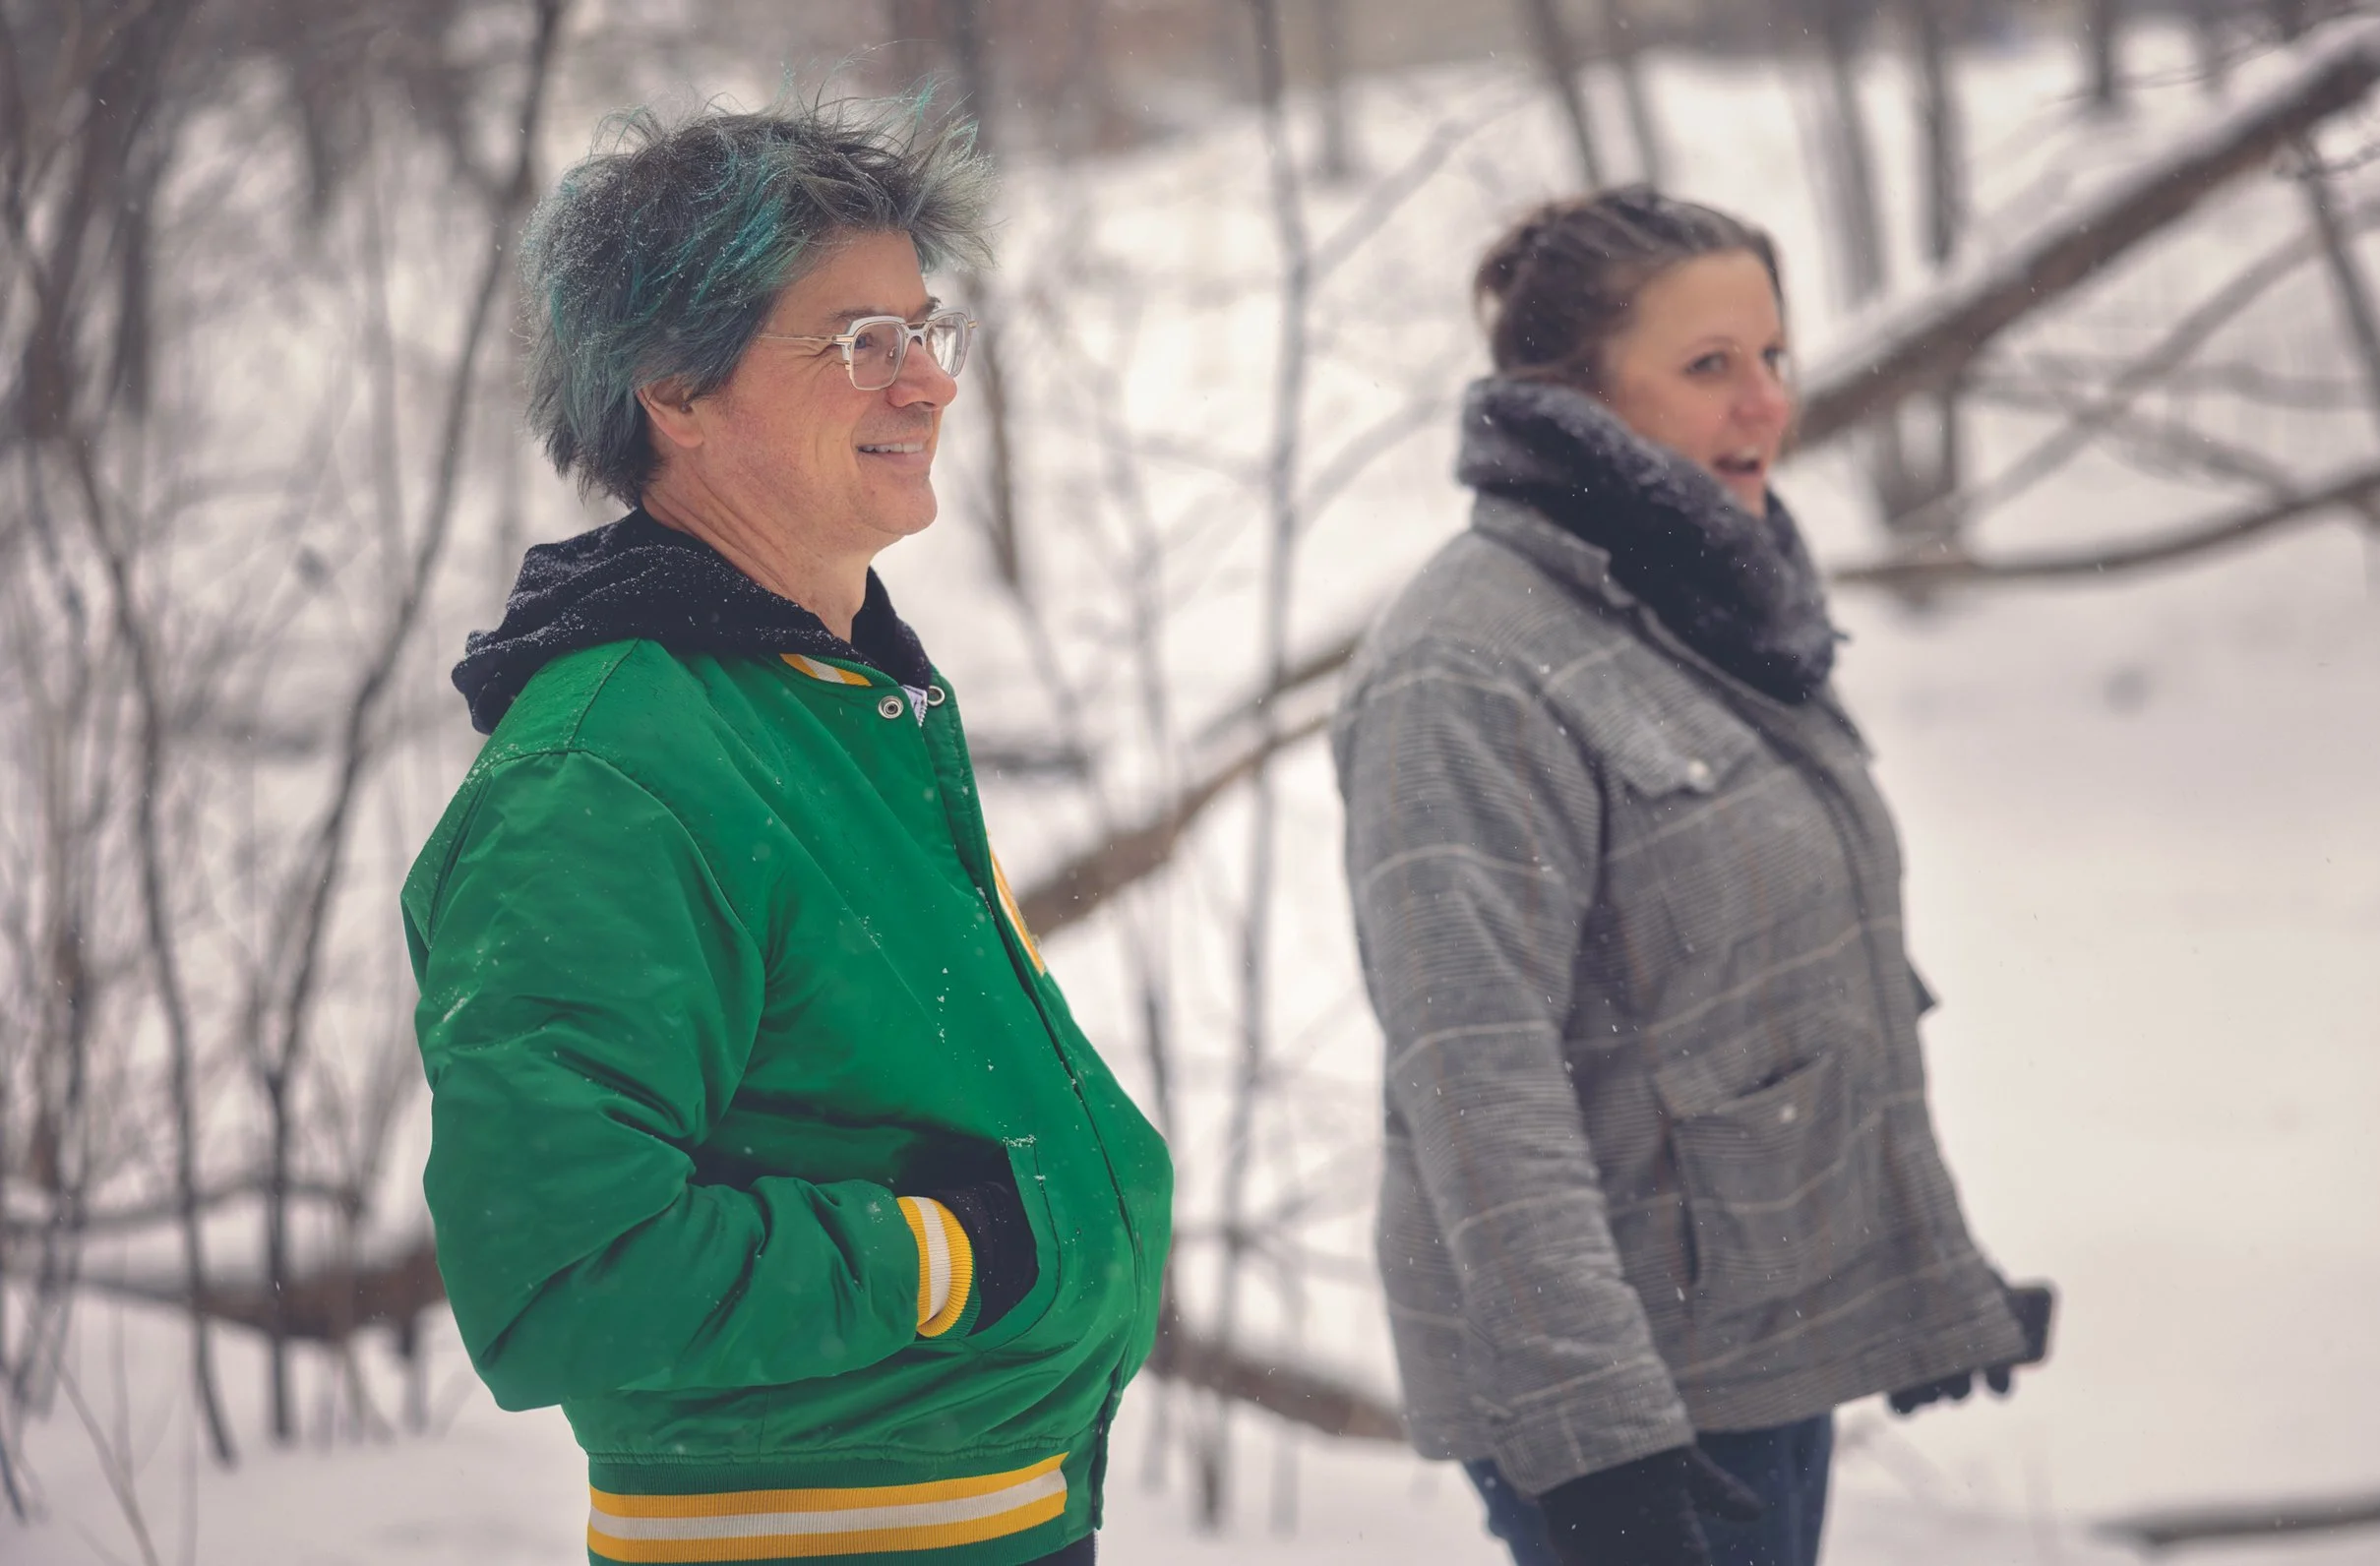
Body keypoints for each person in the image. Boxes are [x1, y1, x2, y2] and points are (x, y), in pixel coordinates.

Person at [400, 97, 1170, 1566]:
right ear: (676, 390)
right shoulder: (610, 770)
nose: (928, 387)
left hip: (981, 1516)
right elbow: (564, 1273)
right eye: (858, 343)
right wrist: (951, 1261)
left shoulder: (835, 705)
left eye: (925, 332)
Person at [1331, 187, 2052, 1566]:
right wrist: (1599, 1438)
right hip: (1627, 1406)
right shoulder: (1467, 670)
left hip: (1753, 1353)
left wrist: (1912, 1275)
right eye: (1710, 366)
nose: (1766, 405)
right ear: (1575, 396)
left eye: (1775, 359)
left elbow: (1785, 986)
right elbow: (1478, 1081)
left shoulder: (1709, 606)